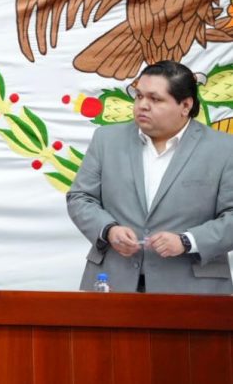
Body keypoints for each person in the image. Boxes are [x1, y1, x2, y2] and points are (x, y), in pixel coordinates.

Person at [67, 60, 233, 293]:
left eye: (155, 99)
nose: (142, 105)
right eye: (139, 96)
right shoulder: (106, 140)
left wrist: (188, 241)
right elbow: (80, 198)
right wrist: (109, 230)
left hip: (193, 290)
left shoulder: (224, 148)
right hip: (113, 284)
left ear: (185, 105)